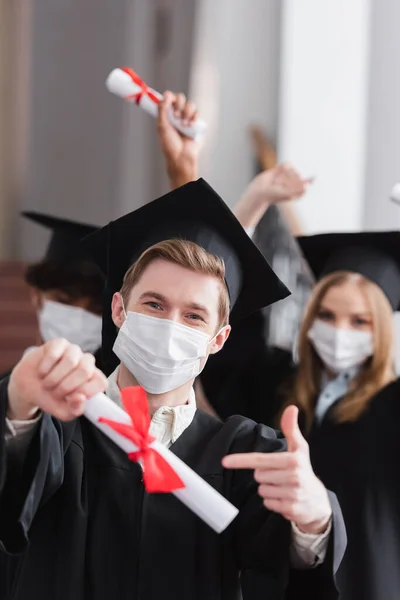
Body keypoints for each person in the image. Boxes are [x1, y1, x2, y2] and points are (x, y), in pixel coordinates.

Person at [0, 180, 346, 600]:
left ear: (219, 339)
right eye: (155, 305)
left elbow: (281, 566)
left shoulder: (245, 457)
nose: (170, 327)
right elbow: (14, 487)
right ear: (119, 309)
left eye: (194, 316)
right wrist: (17, 404)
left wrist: (314, 522)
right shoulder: (57, 426)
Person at [202, 227, 400, 600]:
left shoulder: (393, 406)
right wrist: (257, 201)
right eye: (326, 314)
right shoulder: (275, 382)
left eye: (360, 321)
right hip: (275, 581)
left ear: (383, 330)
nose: (339, 332)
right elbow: (225, 318)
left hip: (364, 585)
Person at [0, 212, 104, 379]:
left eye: (95, 309)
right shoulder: (9, 394)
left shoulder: (120, 396)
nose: (78, 319)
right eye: (64, 301)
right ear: (36, 295)